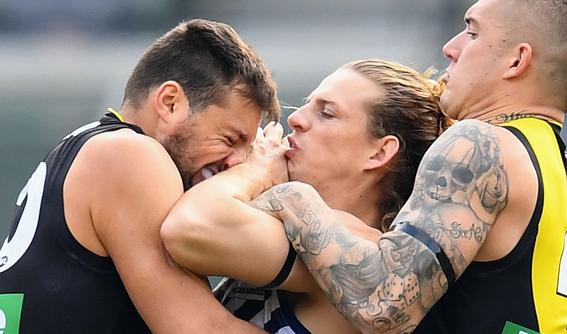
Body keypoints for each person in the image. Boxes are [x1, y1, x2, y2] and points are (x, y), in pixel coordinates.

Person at [248, 0, 567, 334]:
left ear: (516, 61)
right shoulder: (550, 155)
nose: (450, 47)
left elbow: (385, 307)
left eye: (472, 32)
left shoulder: (480, 144)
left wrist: (291, 198)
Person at [0, 19, 279, 333]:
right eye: (229, 140)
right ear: (170, 103)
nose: (237, 163)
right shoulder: (130, 155)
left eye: (249, 149)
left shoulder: (92, 147)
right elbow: (204, 329)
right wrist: (256, 173)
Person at [161, 59, 450, 333]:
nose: (296, 119)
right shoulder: (287, 223)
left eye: (327, 113)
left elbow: (188, 226)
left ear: (379, 152)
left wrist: (257, 171)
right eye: (306, 105)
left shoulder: (364, 257)